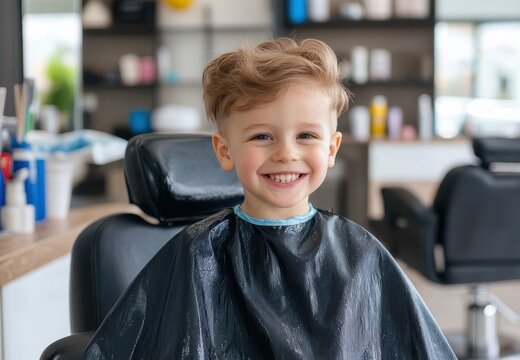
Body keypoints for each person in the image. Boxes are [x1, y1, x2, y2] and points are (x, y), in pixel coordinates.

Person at [85, 38, 456, 359]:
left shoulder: (359, 252)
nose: (286, 153)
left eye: (306, 136)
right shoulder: (199, 254)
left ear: (332, 148)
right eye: (262, 136)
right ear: (225, 150)